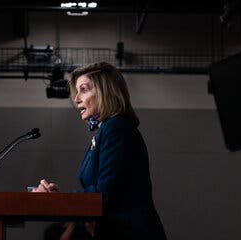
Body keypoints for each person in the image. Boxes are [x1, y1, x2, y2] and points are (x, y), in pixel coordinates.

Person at [34, 62, 167, 239]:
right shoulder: (108, 130)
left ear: (105, 92)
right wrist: (56, 198)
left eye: (84, 89)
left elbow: (104, 195)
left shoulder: (116, 128)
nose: (76, 99)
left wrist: (57, 200)